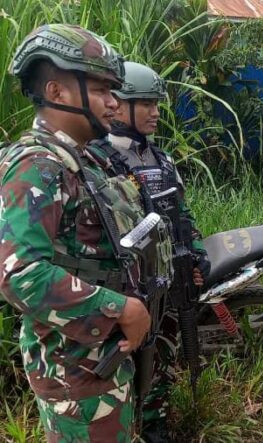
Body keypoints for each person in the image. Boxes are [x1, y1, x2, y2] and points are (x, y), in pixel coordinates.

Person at [0, 24, 154, 441]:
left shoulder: (82, 160)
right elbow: (19, 273)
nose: (113, 102)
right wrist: (119, 309)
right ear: (57, 91)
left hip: (97, 363)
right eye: (103, 90)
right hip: (76, 372)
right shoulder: (38, 164)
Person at [86, 60, 209, 442]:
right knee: (122, 370)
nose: (157, 113)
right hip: (126, 291)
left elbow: (182, 214)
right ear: (119, 105)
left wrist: (196, 254)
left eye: (157, 104)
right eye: (148, 103)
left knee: (162, 362)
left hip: (168, 284)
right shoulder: (95, 160)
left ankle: (155, 427)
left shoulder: (162, 160)